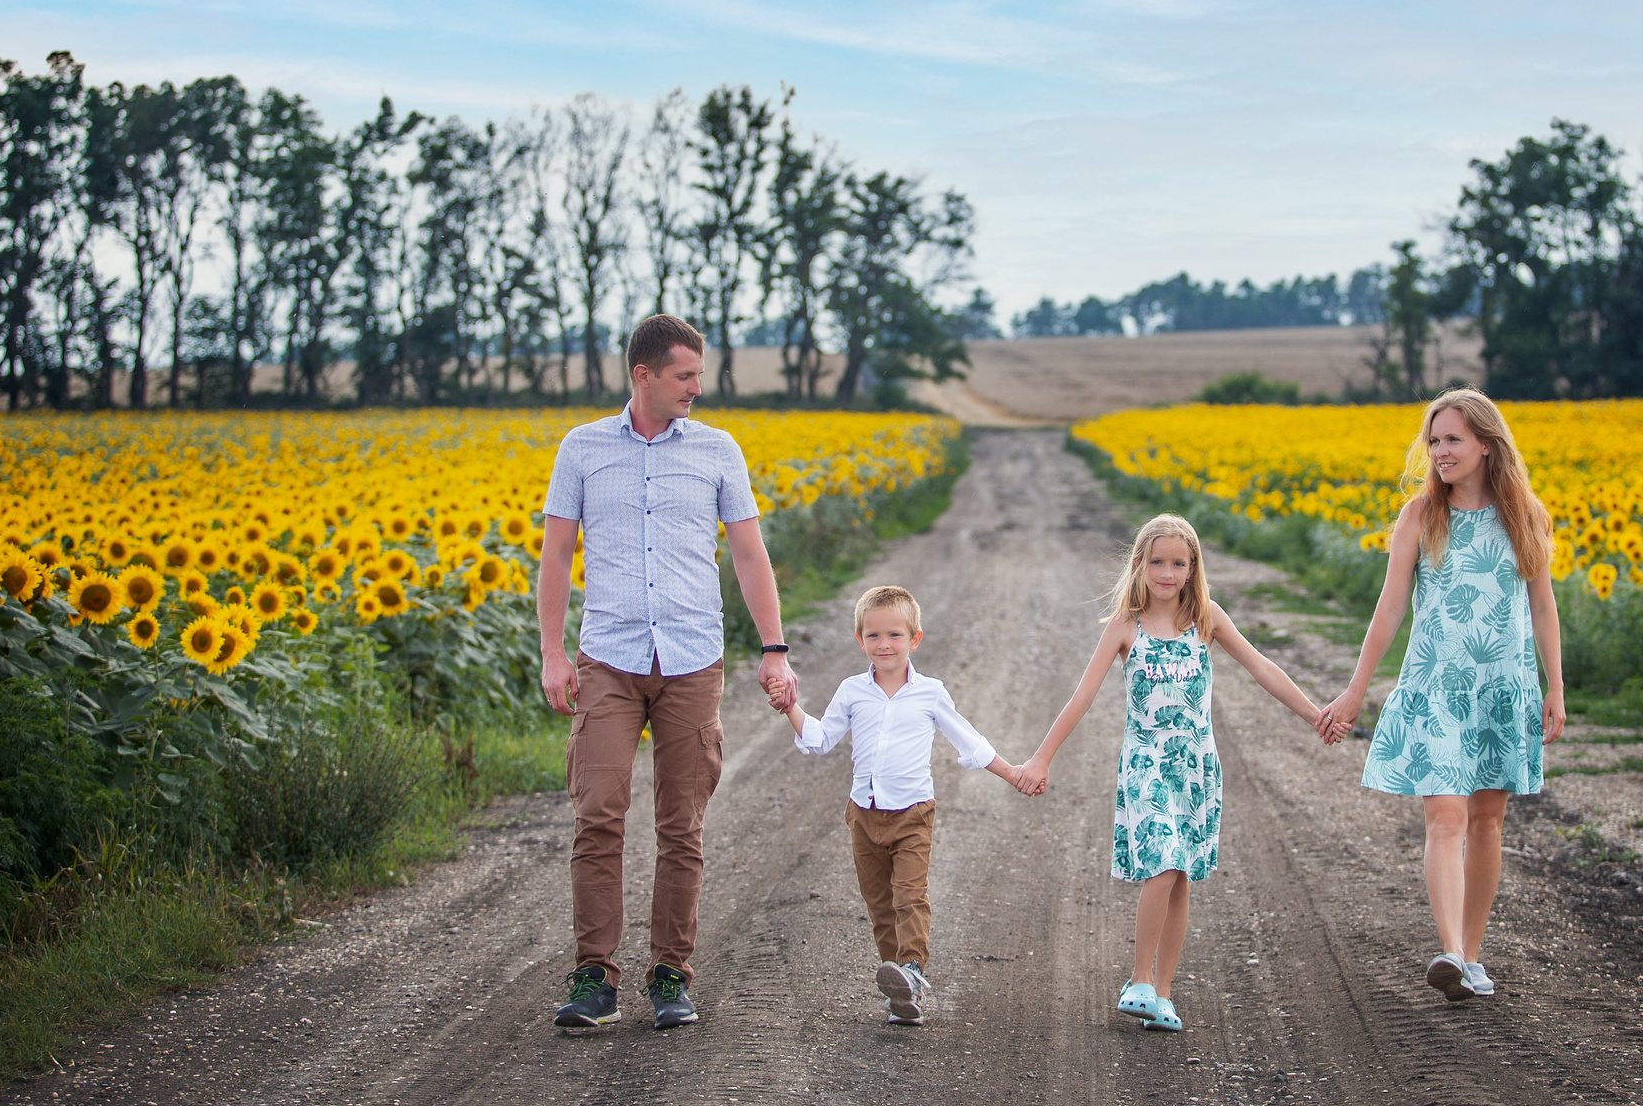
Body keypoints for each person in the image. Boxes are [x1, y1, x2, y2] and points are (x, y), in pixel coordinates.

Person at [537, 314, 799, 1031]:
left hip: (691, 659)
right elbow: (556, 555)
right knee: (598, 815)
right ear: (643, 375)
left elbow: (749, 554)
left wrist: (773, 647)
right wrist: (553, 651)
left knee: (682, 824)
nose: (697, 386)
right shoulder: (582, 448)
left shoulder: (718, 451)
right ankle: (594, 975)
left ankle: (670, 974)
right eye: (684, 374)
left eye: (699, 373)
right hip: (609, 658)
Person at [1016, 513, 1327, 1033]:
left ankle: (1163, 995)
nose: (1166, 572)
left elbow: (1261, 667)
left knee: (1181, 875)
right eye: (1157, 561)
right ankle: (1138, 980)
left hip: (1197, 765)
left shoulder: (1206, 617)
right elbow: (1082, 696)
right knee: (1163, 860)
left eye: (1177, 563)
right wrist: (1042, 756)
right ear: (1139, 565)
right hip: (1147, 762)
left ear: (1192, 568)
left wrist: (1315, 714)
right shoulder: (1124, 626)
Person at [1319, 387, 1564, 1005]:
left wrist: (1554, 687)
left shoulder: (1524, 515)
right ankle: (1450, 951)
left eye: (1453, 439)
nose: (1441, 451)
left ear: (1487, 443)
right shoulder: (1420, 516)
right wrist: (1356, 692)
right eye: (1434, 441)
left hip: (1502, 688)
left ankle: (1473, 956)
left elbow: (1542, 607)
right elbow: (1390, 607)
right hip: (1436, 688)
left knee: (1487, 822)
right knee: (1446, 817)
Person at [769, 583, 1032, 1024]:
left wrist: (1014, 773)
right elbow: (819, 740)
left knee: (910, 896)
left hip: (913, 813)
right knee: (880, 905)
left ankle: (912, 970)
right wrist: (790, 707)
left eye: (894, 635)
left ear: (915, 639)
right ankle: (900, 993)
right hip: (863, 816)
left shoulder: (930, 692)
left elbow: (968, 739)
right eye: (873, 636)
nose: (884, 644)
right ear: (860, 640)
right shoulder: (852, 691)